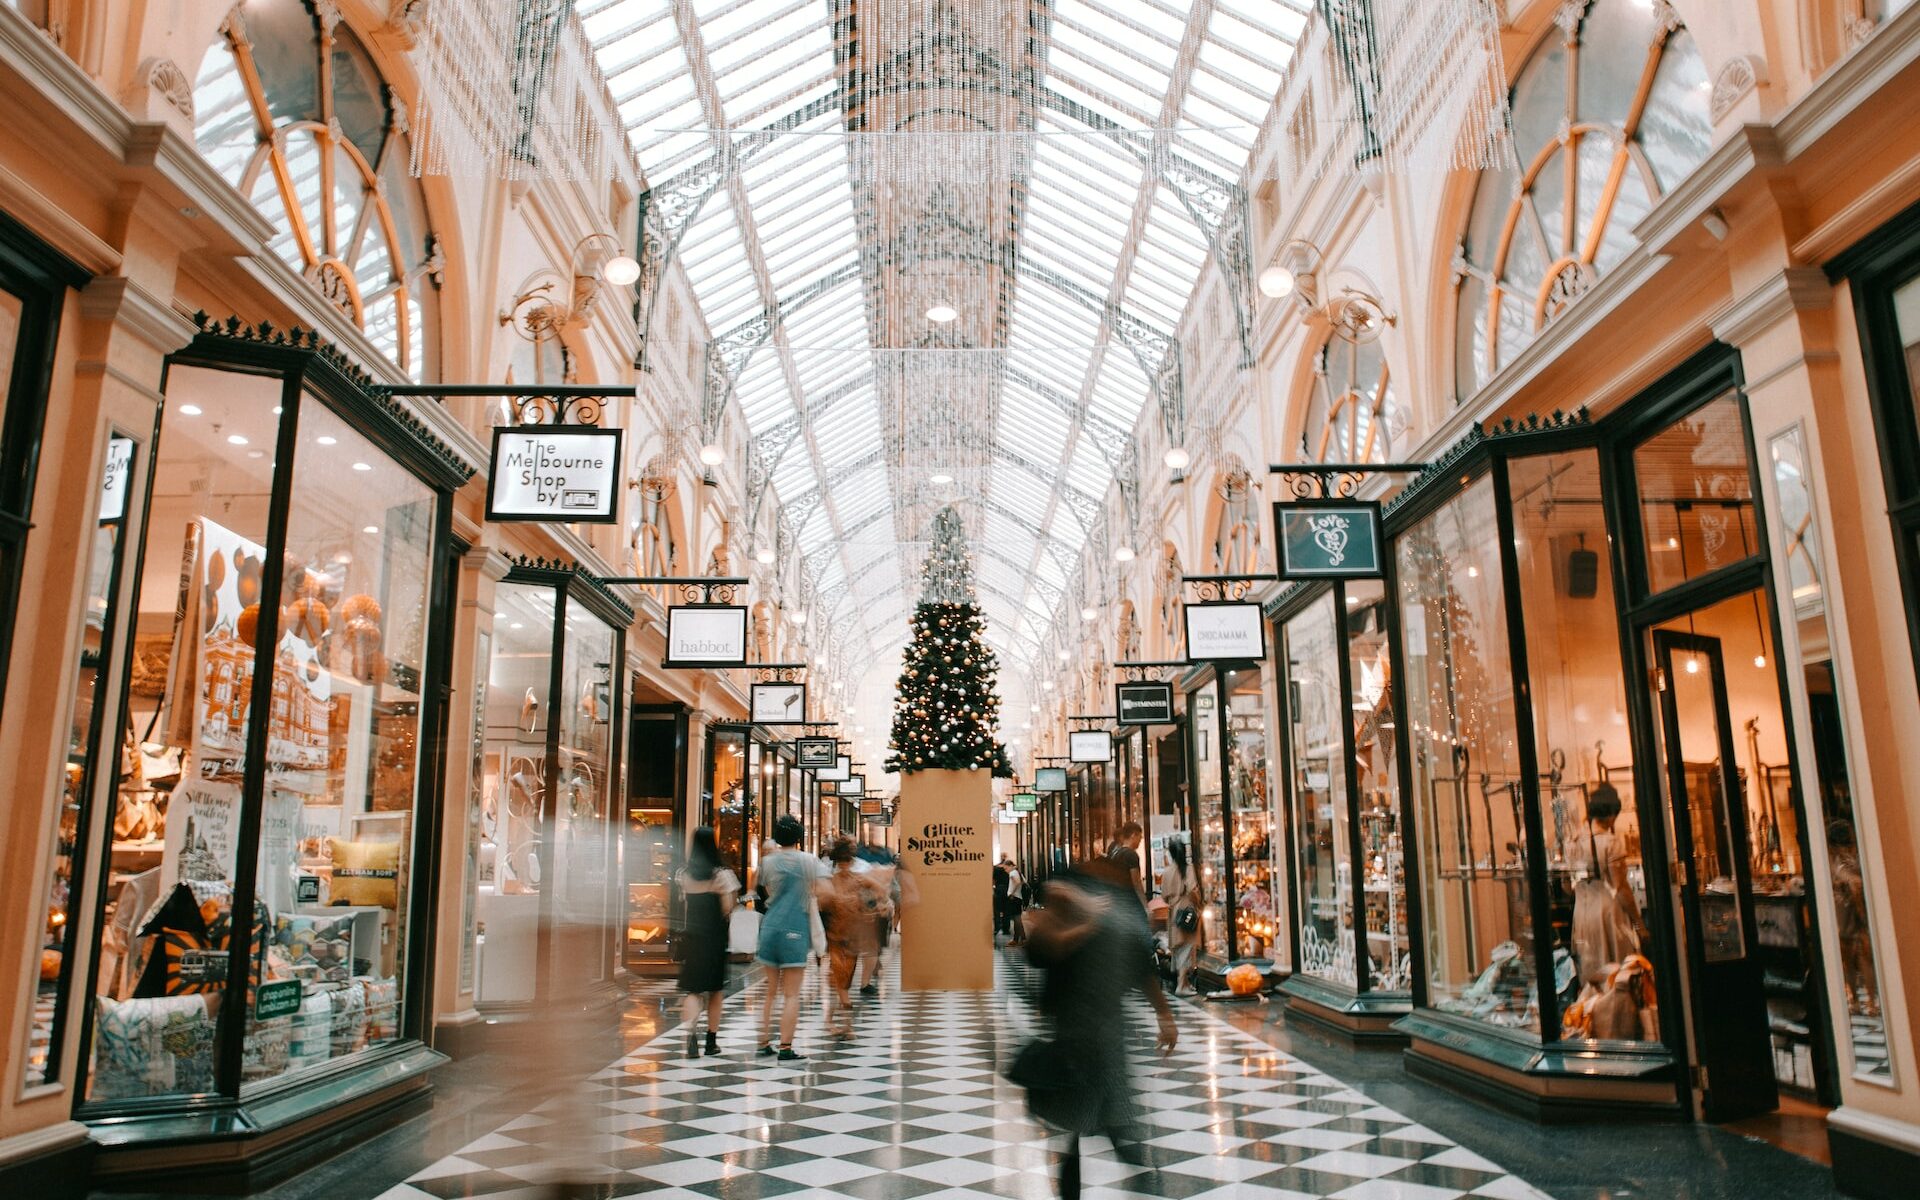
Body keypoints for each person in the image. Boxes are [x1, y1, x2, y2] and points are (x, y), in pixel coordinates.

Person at [1018, 869, 1178, 1200]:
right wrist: (1086, 918)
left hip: (1103, 1036)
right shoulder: (1068, 914)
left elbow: (1141, 967)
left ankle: (1142, 1180)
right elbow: (1041, 950)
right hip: (1073, 1037)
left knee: (1104, 1121)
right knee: (1082, 1126)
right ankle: (1136, 1180)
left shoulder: (1109, 916)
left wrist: (1164, 1015)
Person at [755, 814, 821, 1061]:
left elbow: (763, 888)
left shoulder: (767, 862)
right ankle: (785, 1047)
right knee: (791, 994)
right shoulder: (808, 861)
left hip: (770, 927)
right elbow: (824, 890)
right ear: (799, 837)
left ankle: (763, 1043)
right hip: (795, 928)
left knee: (769, 992)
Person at [1570, 783, 1646, 987]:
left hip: (1582, 914)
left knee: (1590, 971)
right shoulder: (1610, 843)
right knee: (1616, 973)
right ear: (1612, 814)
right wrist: (1639, 924)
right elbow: (1620, 888)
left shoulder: (1575, 841)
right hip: (1607, 914)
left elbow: (1568, 884)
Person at [816, 838, 892, 1037]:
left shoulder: (840, 880)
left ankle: (834, 1021)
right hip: (840, 936)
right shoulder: (844, 880)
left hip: (844, 936)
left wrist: (874, 906)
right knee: (841, 980)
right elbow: (881, 890)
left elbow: (881, 890)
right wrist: (875, 906)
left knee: (842, 980)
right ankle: (844, 1024)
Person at [676, 826, 739, 1057]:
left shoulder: (684, 875)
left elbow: (684, 903)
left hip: (693, 937)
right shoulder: (722, 875)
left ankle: (690, 1038)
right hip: (714, 938)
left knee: (693, 990)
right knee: (715, 990)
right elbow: (728, 907)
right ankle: (711, 1041)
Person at [1160, 834, 1201, 995]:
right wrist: (1198, 903)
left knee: (1178, 947)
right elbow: (1192, 889)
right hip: (1187, 909)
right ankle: (1181, 985)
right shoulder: (1188, 869)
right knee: (1187, 946)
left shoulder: (1167, 871)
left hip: (1173, 912)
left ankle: (1183, 982)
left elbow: (1164, 896)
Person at [1105, 821, 1146, 903]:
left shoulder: (1115, 853)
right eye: (1140, 838)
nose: (1140, 841)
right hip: (1128, 901)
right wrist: (1145, 905)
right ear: (1133, 835)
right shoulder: (1131, 855)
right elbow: (1136, 883)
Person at [1005, 857, 1028, 946]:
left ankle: (1021, 939)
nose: (1005, 870)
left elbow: (1018, 882)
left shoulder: (1012, 873)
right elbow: (1023, 882)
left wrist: (1012, 893)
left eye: (1006, 868)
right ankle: (1018, 939)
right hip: (1019, 898)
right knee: (1017, 919)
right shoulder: (1018, 872)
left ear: (1010, 866)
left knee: (1017, 919)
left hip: (1014, 898)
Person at [993, 857, 1012, 939]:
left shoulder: (996, 870)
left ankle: (997, 927)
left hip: (998, 890)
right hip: (1007, 890)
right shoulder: (1008, 871)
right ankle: (1006, 929)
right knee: (1006, 910)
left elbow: (993, 880)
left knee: (997, 910)